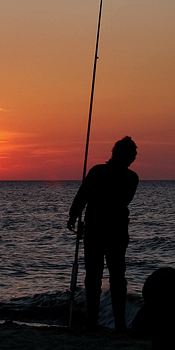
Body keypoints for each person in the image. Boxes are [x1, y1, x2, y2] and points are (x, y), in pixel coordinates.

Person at [67, 136, 139, 331]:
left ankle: (112, 323)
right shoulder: (114, 175)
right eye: (130, 156)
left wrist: (74, 215)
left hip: (106, 232)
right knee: (100, 277)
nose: (131, 159)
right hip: (103, 231)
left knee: (108, 277)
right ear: (119, 155)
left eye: (132, 156)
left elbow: (87, 195)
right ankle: (103, 322)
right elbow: (83, 195)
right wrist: (74, 215)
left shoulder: (123, 176)